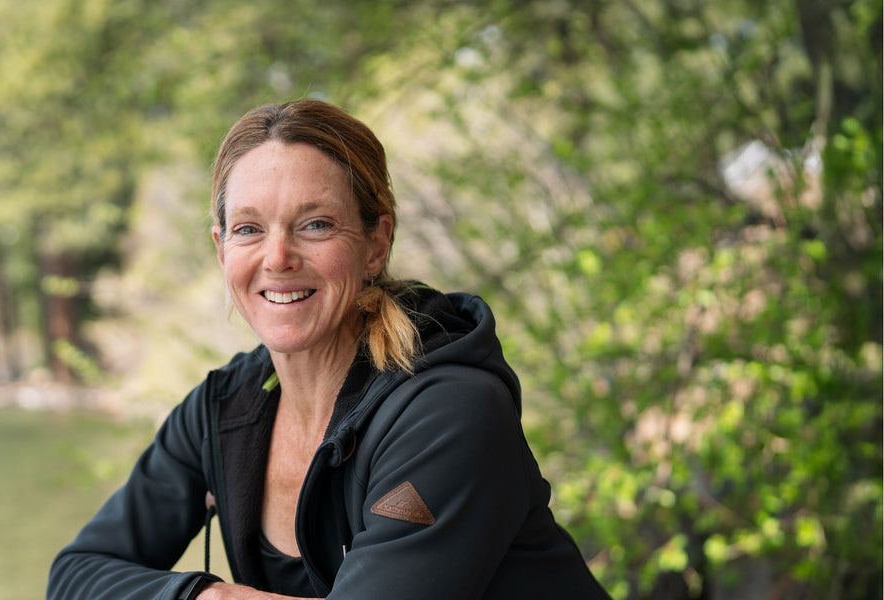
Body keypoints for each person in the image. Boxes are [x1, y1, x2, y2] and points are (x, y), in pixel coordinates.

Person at [47, 99, 611, 599]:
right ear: (221, 250)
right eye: (248, 229)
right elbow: (74, 576)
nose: (278, 257)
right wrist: (203, 597)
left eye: (315, 225)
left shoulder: (449, 411)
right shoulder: (224, 410)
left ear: (376, 243)